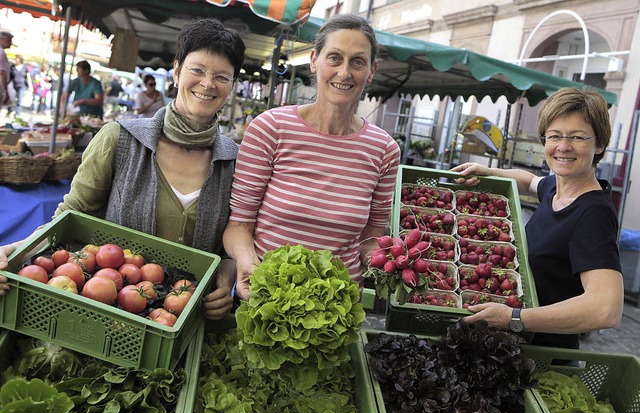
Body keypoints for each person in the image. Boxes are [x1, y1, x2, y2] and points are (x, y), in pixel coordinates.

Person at [0, 18, 247, 321]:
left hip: (183, 322)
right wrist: (13, 250)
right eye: (197, 70)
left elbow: (231, 245)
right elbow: (68, 219)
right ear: (177, 70)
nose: (208, 84)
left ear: (232, 85)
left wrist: (225, 278)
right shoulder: (119, 139)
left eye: (222, 76)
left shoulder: (236, 162)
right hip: (105, 311)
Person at [223, 13, 401, 301]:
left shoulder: (384, 150)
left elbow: (370, 240)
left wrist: (391, 263)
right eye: (334, 58)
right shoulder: (271, 129)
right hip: (266, 297)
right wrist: (247, 262)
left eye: (357, 61)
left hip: (337, 308)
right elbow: (239, 226)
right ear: (314, 60)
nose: (344, 72)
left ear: (371, 71)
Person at [451, 87, 623, 350]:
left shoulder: (593, 214)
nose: (563, 147)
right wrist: (488, 171)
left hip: (543, 354)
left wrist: (514, 318)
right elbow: (529, 181)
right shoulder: (557, 187)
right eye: (554, 136)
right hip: (513, 345)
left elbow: (606, 308)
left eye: (577, 137)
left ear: (599, 144)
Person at [0, 31, 13, 111]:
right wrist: (5, 91)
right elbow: (1, 73)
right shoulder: (1, 53)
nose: (11, 44)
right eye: (9, 41)